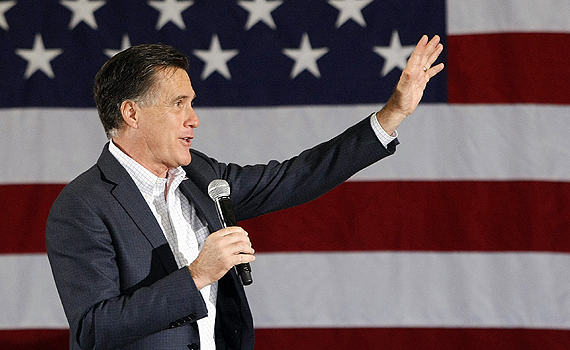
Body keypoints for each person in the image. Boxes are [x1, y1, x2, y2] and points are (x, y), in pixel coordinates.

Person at [46, 36, 444, 350]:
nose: (194, 119)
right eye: (178, 104)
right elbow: (94, 328)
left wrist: (393, 112)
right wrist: (199, 275)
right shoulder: (83, 205)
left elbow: (295, 177)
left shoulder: (200, 175)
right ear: (131, 113)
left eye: (192, 103)